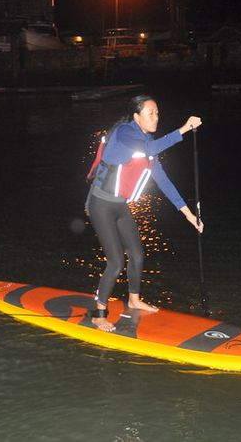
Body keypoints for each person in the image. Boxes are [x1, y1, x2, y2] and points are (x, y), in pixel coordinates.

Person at [84, 95, 203, 332]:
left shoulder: (148, 147)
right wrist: (185, 128)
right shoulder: (125, 133)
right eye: (150, 113)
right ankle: (98, 313)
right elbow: (149, 147)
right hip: (100, 204)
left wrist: (189, 214)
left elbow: (163, 181)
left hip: (119, 206)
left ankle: (134, 299)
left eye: (157, 112)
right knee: (116, 261)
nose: (156, 117)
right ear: (136, 117)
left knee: (137, 254)